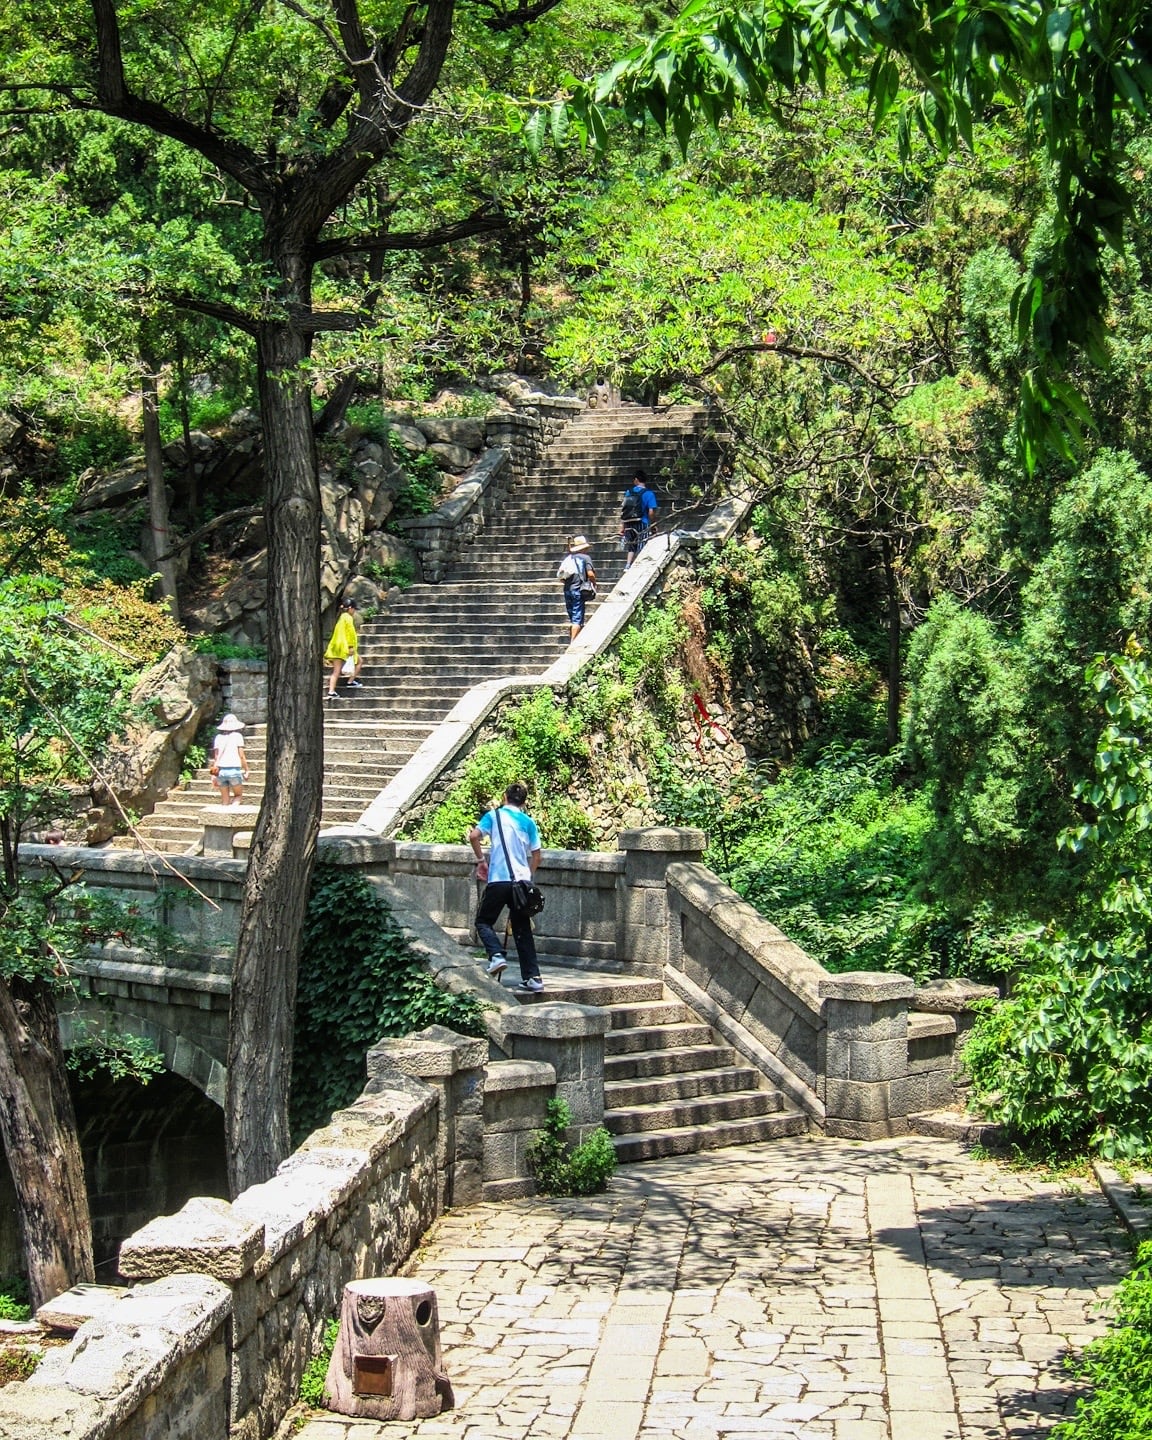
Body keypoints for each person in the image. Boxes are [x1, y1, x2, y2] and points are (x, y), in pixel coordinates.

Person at [468, 783, 544, 994]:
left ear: (504, 797)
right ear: (524, 802)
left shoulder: (493, 816)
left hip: (499, 879)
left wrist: (481, 860)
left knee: (483, 922)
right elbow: (537, 855)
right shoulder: (528, 822)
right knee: (522, 929)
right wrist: (527, 877)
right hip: (521, 882)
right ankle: (533, 977)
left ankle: (496, 955)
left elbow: (474, 836)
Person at [556, 534, 596, 642]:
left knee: (573, 616)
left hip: (567, 589)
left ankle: (577, 637)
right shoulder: (585, 558)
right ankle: (573, 642)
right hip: (578, 590)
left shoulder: (568, 558)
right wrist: (594, 583)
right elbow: (590, 574)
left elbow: (560, 576)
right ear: (584, 548)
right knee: (577, 618)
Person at [324, 597, 362, 702]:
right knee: (358, 662)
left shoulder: (341, 617)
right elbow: (349, 633)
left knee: (336, 671)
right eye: (354, 609)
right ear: (350, 608)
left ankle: (333, 690)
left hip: (336, 647)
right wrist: (350, 646)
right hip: (344, 647)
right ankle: (348, 682)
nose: (354, 611)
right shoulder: (348, 618)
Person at [620, 469, 659, 568]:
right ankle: (639, 565)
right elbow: (651, 512)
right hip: (642, 522)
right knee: (642, 544)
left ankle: (628, 565)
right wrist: (654, 524)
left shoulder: (628, 492)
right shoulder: (649, 493)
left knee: (631, 545)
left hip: (628, 522)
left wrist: (622, 527)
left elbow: (624, 510)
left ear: (636, 479)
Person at [211, 713, 249, 806]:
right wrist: (246, 769)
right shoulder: (238, 736)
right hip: (234, 770)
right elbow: (241, 755)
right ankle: (233, 813)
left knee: (225, 800)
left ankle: (224, 817)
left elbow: (216, 757)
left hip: (220, 772)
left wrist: (213, 775)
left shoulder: (218, 737)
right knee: (238, 796)